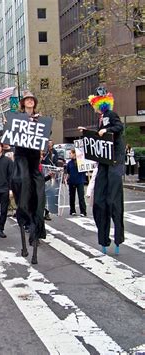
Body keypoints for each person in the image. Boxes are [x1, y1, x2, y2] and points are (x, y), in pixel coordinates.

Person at [80, 87, 125, 255]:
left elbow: (119, 126)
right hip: (103, 164)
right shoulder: (100, 118)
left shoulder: (111, 115)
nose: (94, 107)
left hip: (114, 162)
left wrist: (108, 130)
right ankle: (103, 239)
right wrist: (85, 132)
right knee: (99, 202)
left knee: (113, 201)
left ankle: (118, 237)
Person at [11, 91, 47, 264]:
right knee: (23, 182)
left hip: (33, 156)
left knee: (37, 190)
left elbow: (45, 134)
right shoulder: (17, 117)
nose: (30, 101)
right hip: (21, 156)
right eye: (27, 99)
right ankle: (23, 213)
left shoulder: (40, 118)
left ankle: (36, 226)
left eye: (32, 99)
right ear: (23, 103)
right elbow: (10, 135)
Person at [65, 149, 87, 217]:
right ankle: (72, 210)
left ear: (74, 154)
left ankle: (83, 211)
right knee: (72, 197)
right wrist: (66, 179)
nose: (69, 154)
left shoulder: (80, 162)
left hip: (79, 181)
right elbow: (68, 172)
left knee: (81, 197)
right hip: (71, 181)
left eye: (70, 153)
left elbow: (84, 170)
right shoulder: (69, 163)